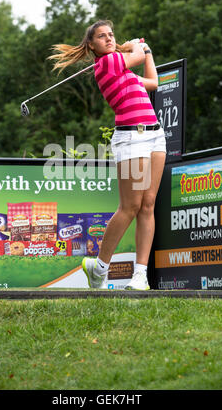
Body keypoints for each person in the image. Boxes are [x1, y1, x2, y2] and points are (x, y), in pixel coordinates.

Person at [49, 20, 166, 290]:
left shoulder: (123, 71)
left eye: (111, 35)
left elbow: (153, 82)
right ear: (92, 45)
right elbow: (134, 55)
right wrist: (138, 47)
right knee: (130, 207)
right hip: (130, 138)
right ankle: (100, 268)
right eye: (102, 36)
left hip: (155, 136)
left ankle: (140, 276)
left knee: (148, 205)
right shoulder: (107, 63)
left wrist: (147, 52)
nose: (109, 39)